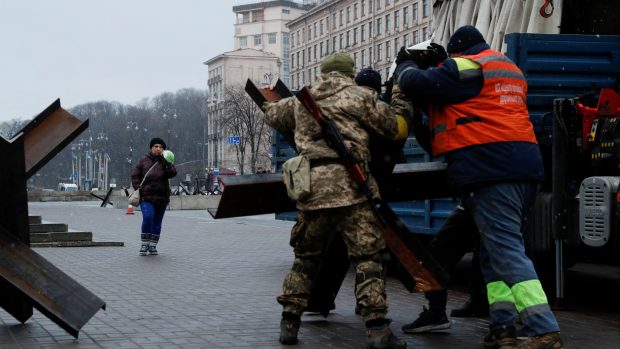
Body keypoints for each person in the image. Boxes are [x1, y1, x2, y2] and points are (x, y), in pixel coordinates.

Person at [394, 25, 564, 349]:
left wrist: (404, 63)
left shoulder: (468, 65)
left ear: (458, 51)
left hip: (492, 170)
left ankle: (543, 329)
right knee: (492, 255)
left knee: (506, 252)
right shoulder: (507, 69)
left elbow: (415, 82)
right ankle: (502, 327)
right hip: (522, 168)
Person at [264, 52, 411, 349]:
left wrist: (274, 104)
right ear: (350, 73)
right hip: (353, 190)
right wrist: (402, 100)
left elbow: (271, 113)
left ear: (322, 72)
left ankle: (290, 322)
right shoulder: (360, 97)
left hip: (312, 191)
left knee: (305, 259)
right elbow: (396, 129)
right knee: (368, 259)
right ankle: (377, 328)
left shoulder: (302, 100)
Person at [131, 137, 177, 256]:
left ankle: (152, 246)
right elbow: (135, 176)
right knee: (148, 217)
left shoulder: (166, 160)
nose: (158, 149)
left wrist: (166, 162)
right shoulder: (143, 160)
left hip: (162, 197)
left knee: (157, 222)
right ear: (151, 148)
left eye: (161, 147)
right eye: (156, 146)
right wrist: (138, 188)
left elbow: (172, 174)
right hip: (146, 197)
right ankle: (144, 244)